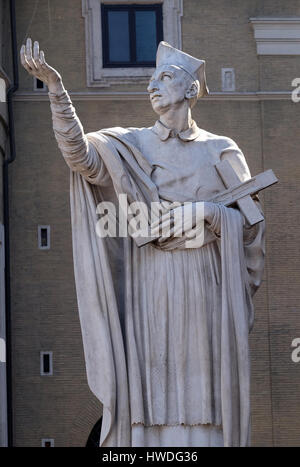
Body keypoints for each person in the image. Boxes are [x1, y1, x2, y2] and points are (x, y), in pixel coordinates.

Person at [20, 38, 265, 447]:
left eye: (165, 77)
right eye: (151, 79)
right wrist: (58, 91)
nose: (153, 86)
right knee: (150, 383)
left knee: (200, 383)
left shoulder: (220, 149)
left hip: (201, 281)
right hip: (146, 278)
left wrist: (207, 211)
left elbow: (252, 226)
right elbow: (80, 157)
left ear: (190, 90)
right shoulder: (129, 145)